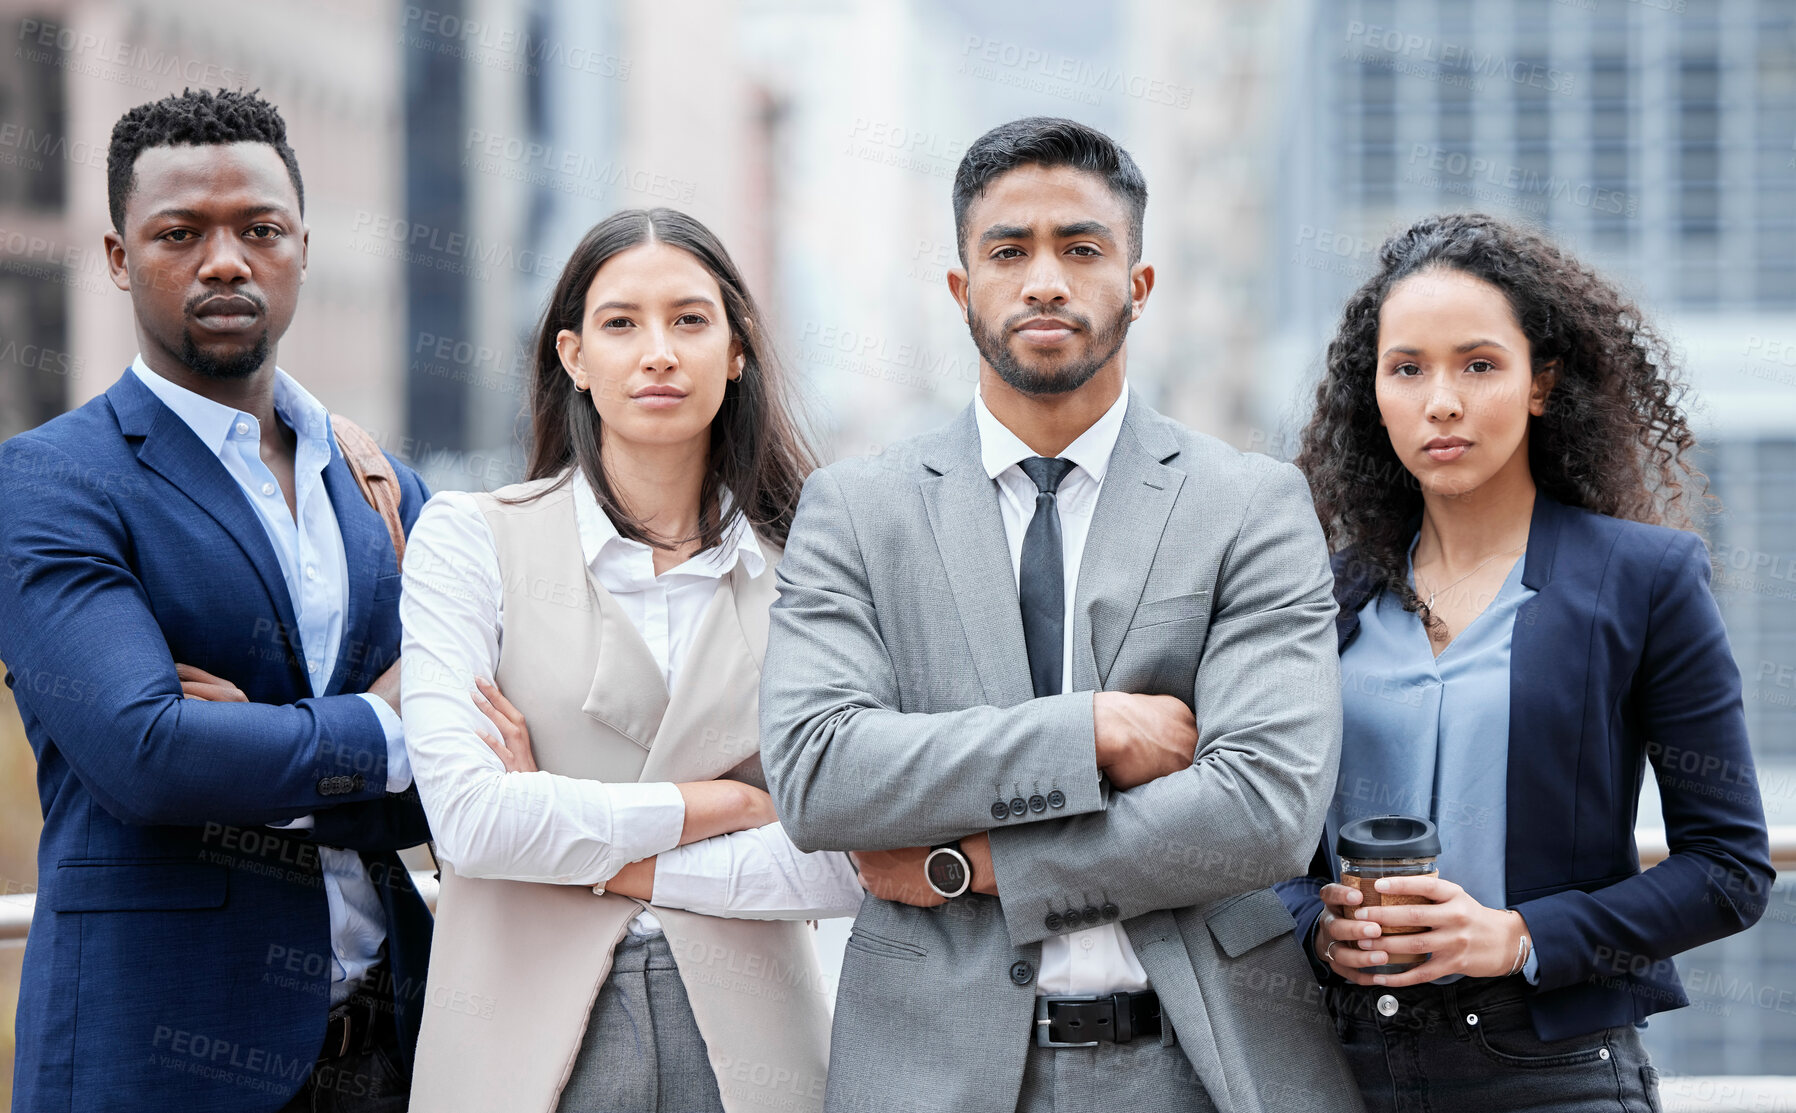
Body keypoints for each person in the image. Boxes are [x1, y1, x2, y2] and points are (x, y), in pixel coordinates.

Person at [759, 117, 1363, 1113]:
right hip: (931, 1079)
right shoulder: (855, 512)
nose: (1044, 280)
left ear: (1138, 284)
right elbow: (820, 775)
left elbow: (1262, 811)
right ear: (961, 289)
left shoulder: (1247, 504)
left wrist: (976, 864)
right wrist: (1085, 733)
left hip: (1199, 1067)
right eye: (1008, 251)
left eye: (1080, 249)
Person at [1277, 212, 1773, 1112]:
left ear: (1541, 383)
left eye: (1479, 364)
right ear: (1374, 393)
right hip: (1331, 1071)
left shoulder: (1643, 580)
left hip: (1554, 1073)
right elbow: (1253, 838)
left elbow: (1730, 866)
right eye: (1407, 369)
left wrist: (1515, 935)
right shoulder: (1322, 598)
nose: (1442, 402)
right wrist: (1316, 925)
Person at [0, 89, 434, 1112]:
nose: (226, 261)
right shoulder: (49, 483)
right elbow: (147, 758)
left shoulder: (385, 486)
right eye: (180, 234)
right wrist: (392, 722)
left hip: (396, 1046)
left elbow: (478, 767)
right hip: (162, 1055)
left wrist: (261, 747)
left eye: (259, 229)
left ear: (302, 247)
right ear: (116, 257)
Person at [398, 207, 863, 1113]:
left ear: (737, 352)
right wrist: (720, 804)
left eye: (690, 320)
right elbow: (469, 820)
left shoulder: (813, 564)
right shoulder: (471, 538)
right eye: (621, 323)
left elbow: (849, 860)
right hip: (516, 1050)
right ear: (573, 356)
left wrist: (595, 846)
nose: (659, 352)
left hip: (756, 1057)